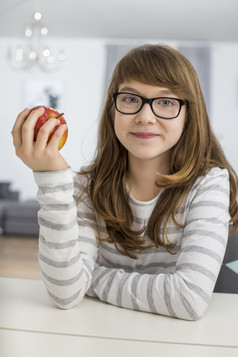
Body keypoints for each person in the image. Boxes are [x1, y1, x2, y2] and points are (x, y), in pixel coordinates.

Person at [12, 44, 238, 321]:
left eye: (166, 102)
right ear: (112, 109)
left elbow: (189, 298)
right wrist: (51, 179)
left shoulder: (209, 183)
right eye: (131, 99)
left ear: (189, 115)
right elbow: (66, 293)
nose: (145, 116)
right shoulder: (87, 186)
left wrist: (91, 278)